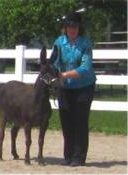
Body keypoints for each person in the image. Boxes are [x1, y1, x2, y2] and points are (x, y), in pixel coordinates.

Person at [53, 12, 96, 167]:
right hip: (65, 87)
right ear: (66, 28)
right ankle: (68, 155)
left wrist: (64, 75)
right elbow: (55, 61)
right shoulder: (59, 43)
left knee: (80, 121)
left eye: (75, 27)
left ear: (79, 28)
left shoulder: (85, 44)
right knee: (66, 121)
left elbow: (85, 67)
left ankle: (79, 157)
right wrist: (55, 74)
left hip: (84, 86)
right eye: (70, 26)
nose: (72, 30)